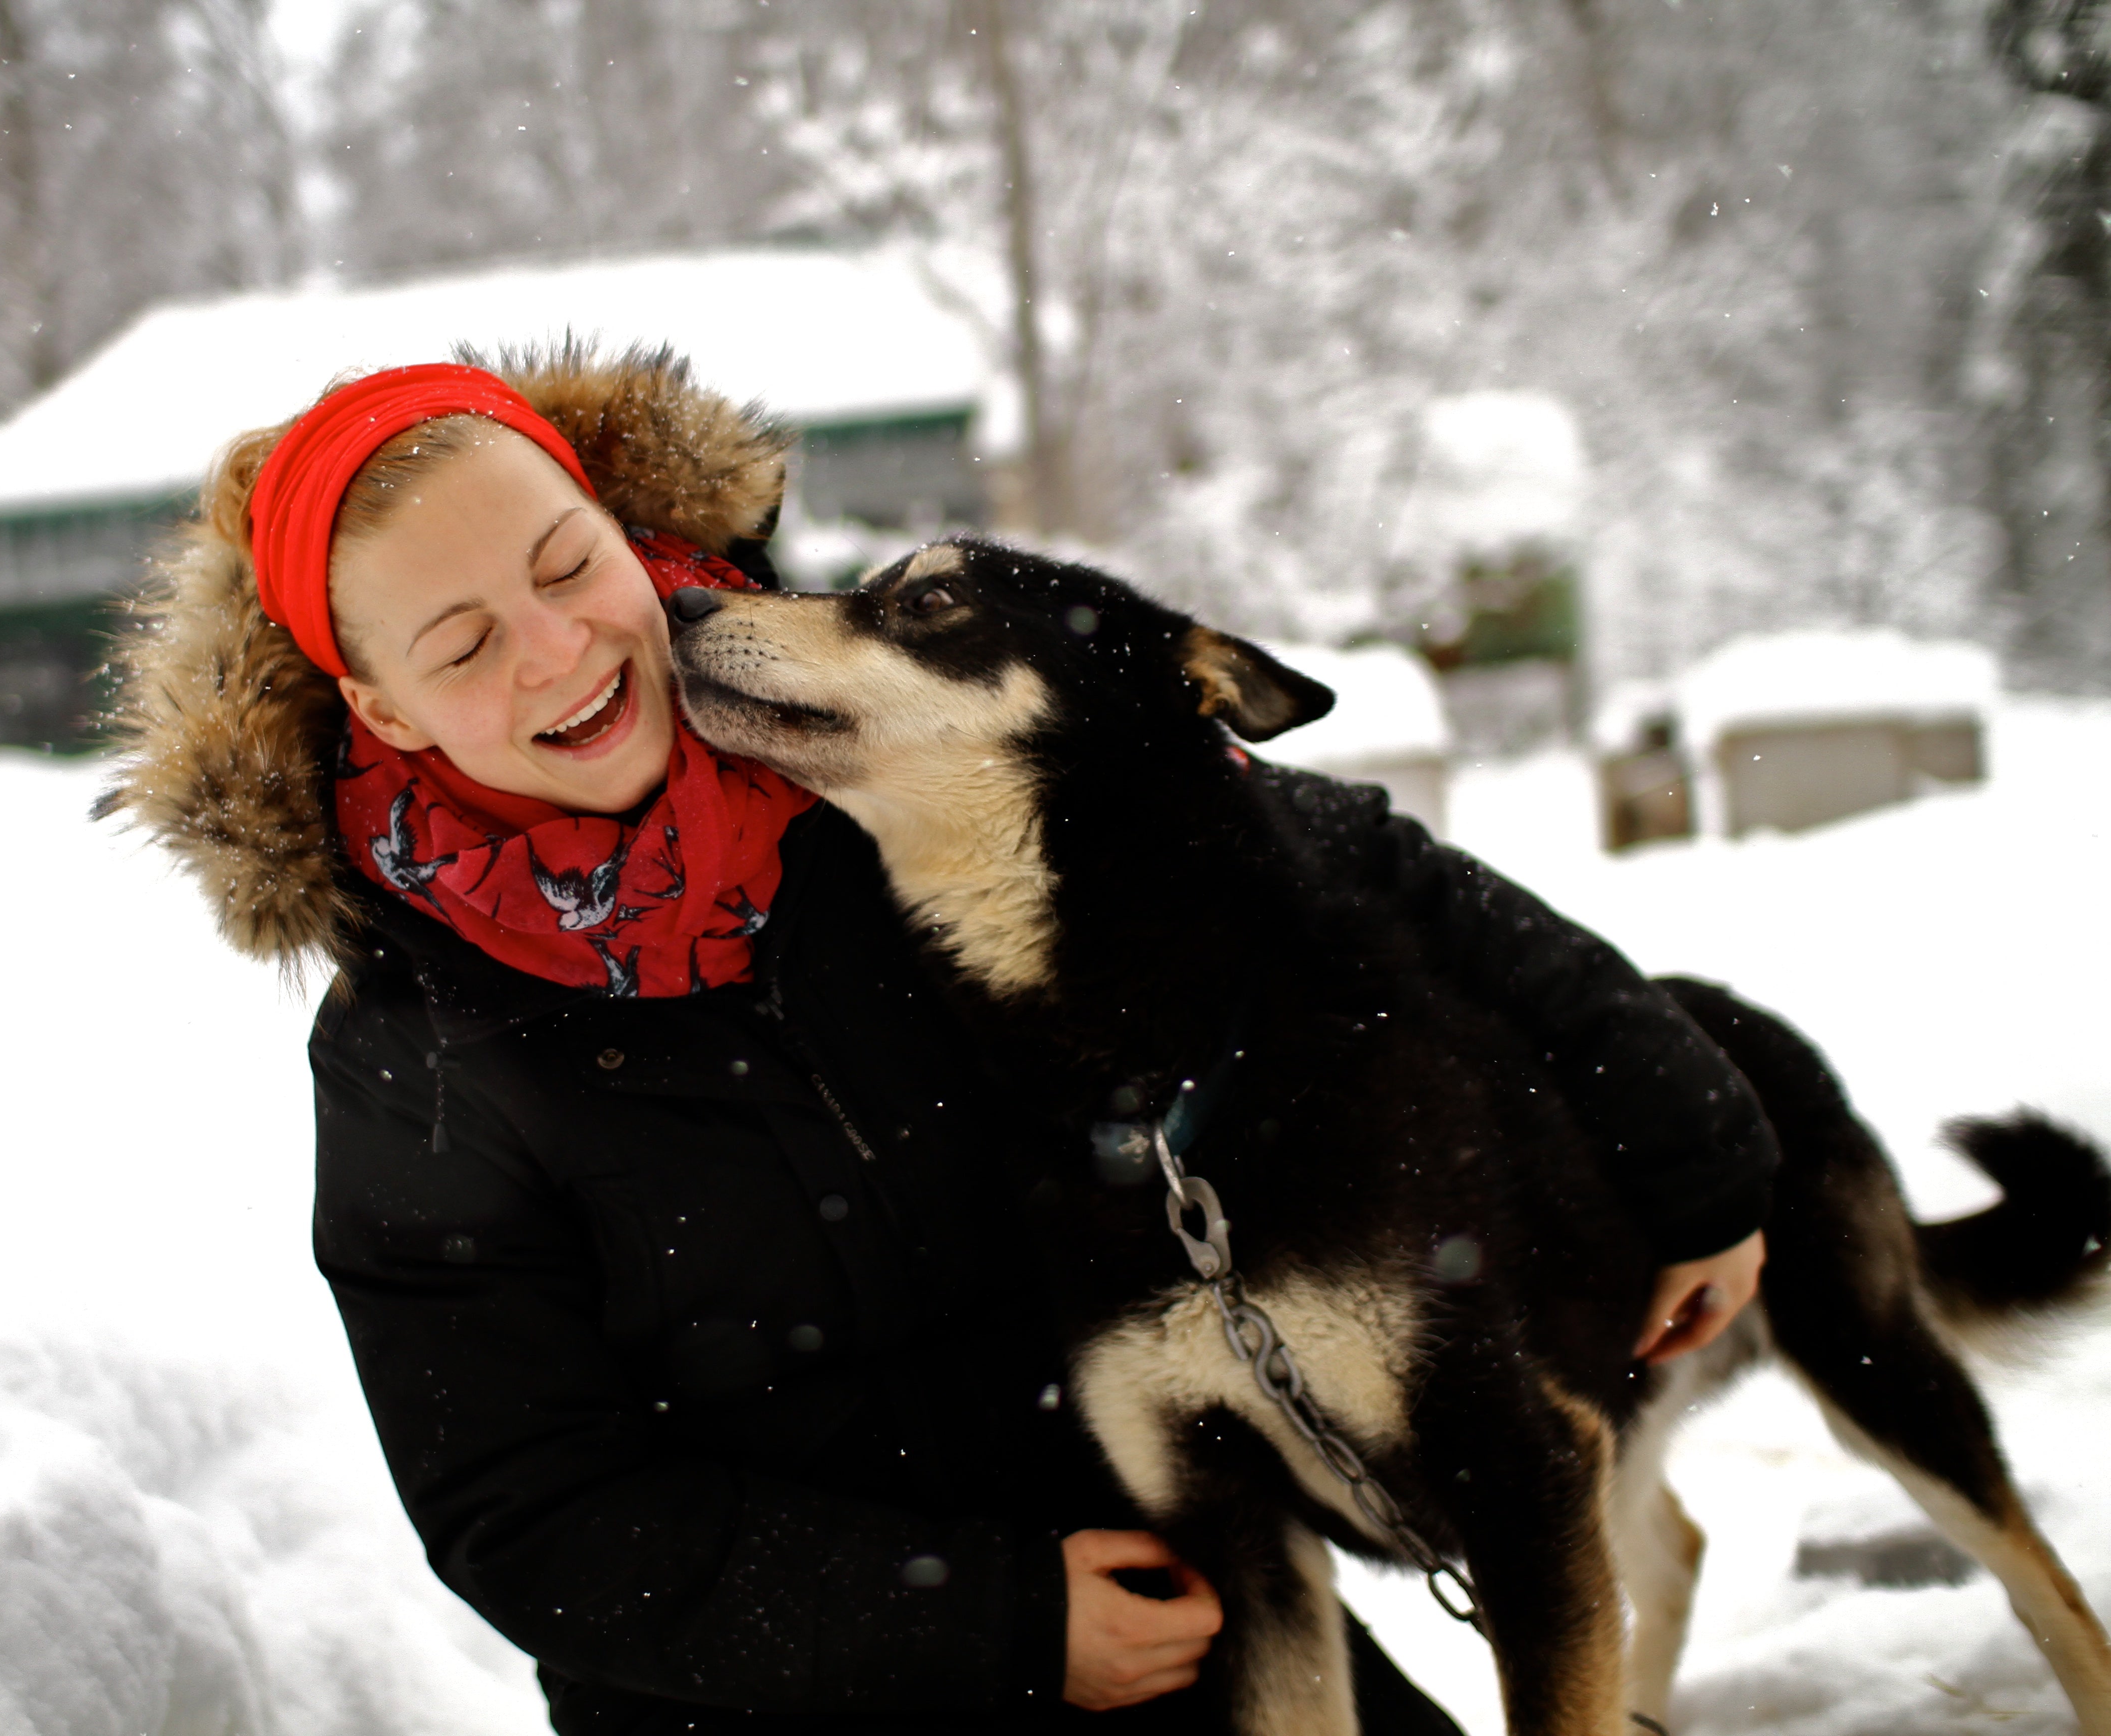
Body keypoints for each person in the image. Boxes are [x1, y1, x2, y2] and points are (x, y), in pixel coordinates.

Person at [100, 345, 1774, 1733]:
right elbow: (532, 1514)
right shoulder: (416, 1058)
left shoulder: (877, 735)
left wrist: (1695, 1148)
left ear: (620, 532)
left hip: (1165, 1589)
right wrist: (992, 1622)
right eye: (462, 645)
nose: (556, 650)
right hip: (763, 1696)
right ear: (382, 712)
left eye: (565, 568)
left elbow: (1365, 872)